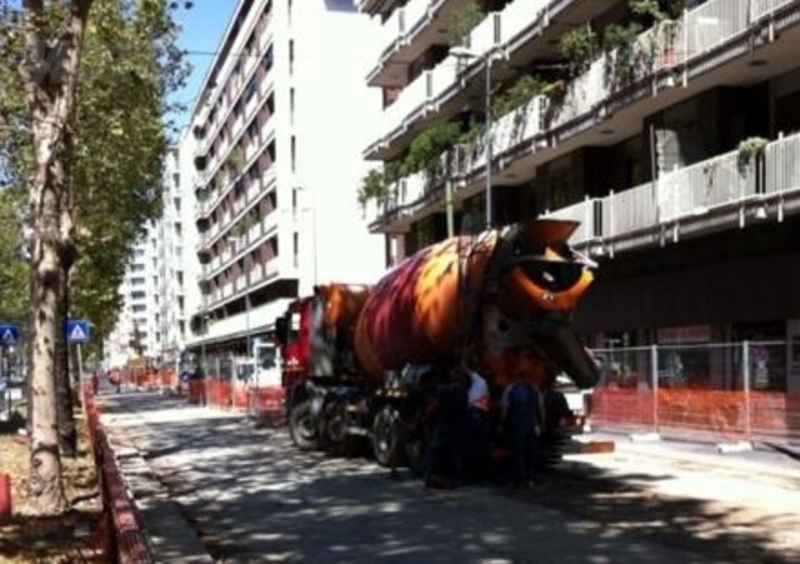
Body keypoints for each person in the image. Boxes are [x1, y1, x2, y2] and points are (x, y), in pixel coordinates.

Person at [498, 368, 544, 488]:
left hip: (516, 425)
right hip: (532, 425)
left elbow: (505, 409)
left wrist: (501, 424)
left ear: (516, 377)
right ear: (526, 377)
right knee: (531, 452)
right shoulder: (534, 389)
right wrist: (541, 423)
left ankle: (520, 479)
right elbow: (541, 408)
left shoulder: (510, 389)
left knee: (518, 452)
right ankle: (530, 479)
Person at [424, 369, 468, 489]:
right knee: (456, 452)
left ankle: (428, 477)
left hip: (443, 425)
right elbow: (465, 409)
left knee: (435, 451)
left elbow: (434, 405)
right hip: (457, 426)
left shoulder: (444, 390)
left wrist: (426, 416)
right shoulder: (463, 392)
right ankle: (459, 478)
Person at [463, 356, 492, 483]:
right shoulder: (483, 382)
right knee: (481, 447)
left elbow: (468, 372)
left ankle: (471, 476)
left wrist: (463, 363)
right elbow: (487, 398)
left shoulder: (473, 379)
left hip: (473, 414)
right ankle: (482, 476)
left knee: (470, 446)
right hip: (482, 415)